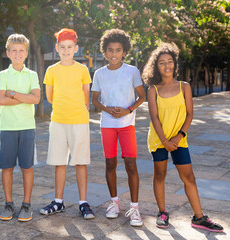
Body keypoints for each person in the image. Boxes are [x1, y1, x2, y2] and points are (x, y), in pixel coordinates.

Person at [143, 42, 223, 232]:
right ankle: (162, 212)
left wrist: (178, 138)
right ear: (156, 66)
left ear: (175, 64)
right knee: (160, 176)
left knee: (189, 177)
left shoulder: (184, 86)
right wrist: (164, 141)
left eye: (169, 61)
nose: (166, 65)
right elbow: (153, 117)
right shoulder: (153, 89)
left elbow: (189, 114)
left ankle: (199, 217)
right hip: (159, 140)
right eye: (162, 62)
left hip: (179, 140)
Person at [91, 29, 146, 227]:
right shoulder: (99, 73)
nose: (114, 54)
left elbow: (142, 96)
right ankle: (114, 202)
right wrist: (107, 109)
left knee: (131, 164)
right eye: (110, 50)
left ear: (125, 51)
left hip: (126, 125)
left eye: (118, 50)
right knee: (110, 164)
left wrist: (127, 110)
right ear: (104, 52)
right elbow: (94, 100)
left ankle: (134, 207)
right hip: (107, 126)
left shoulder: (132, 71)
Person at [40, 28, 94, 219]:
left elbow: (86, 94)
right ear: (57, 48)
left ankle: (83, 202)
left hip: (79, 120)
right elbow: (49, 96)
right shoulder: (51, 70)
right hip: (58, 121)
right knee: (59, 161)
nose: (66, 50)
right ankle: (58, 201)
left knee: (80, 161)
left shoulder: (82, 69)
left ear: (76, 48)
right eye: (62, 47)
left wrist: (78, 108)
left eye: (70, 47)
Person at [0, 34, 40, 222]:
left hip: (27, 127)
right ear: (8, 53)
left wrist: (12, 93)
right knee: (7, 167)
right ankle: (8, 203)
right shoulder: (2, 75)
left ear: (27, 53)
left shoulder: (32, 75)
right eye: (14, 50)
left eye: (21, 50)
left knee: (27, 167)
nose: (17, 53)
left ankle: (26, 205)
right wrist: (24, 97)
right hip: (7, 127)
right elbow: (1, 101)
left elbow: (36, 99)